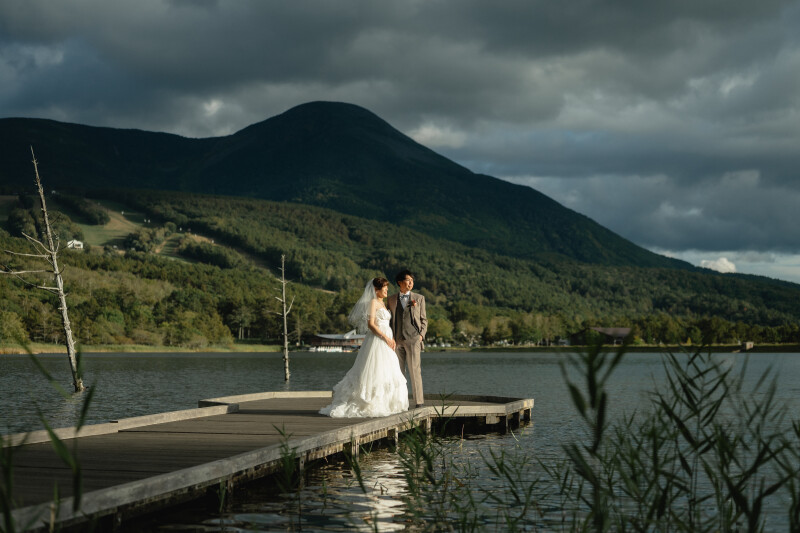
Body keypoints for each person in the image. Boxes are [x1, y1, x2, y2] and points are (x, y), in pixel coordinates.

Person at [319, 277, 409, 417]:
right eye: (384, 288)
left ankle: (387, 403)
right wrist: (385, 337)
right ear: (375, 290)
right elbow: (371, 324)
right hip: (378, 340)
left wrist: (390, 338)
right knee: (374, 370)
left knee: (387, 370)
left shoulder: (383, 303)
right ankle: (368, 402)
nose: (386, 290)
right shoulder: (373, 302)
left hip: (387, 340)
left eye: (387, 288)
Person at [387, 269, 427, 408]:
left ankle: (419, 402)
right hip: (397, 341)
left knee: (415, 371)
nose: (411, 283)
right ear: (400, 282)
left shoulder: (419, 298)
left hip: (413, 339)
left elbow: (424, 320)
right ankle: (401, 402)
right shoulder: (391, 299)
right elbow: (389, 319)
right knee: (398, 373)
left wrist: (421, 336)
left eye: (412, 280)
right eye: (408, 280)